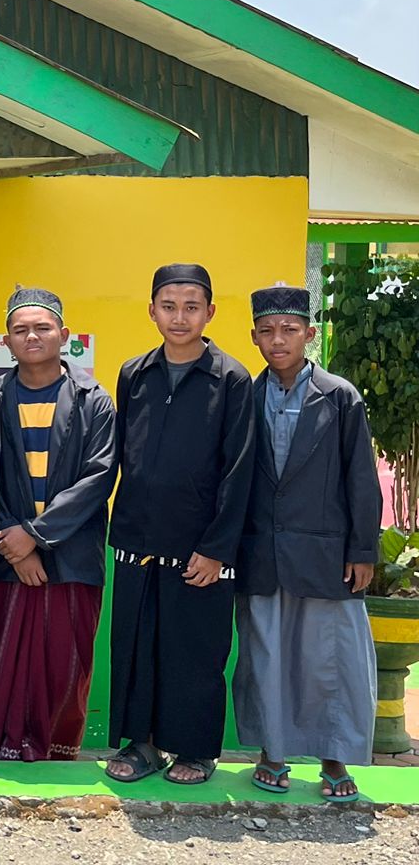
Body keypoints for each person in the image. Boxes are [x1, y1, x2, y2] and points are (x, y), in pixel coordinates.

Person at [106, 263, 256, 785]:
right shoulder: (134, 373)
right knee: (137, 644)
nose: (179, 317)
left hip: (200, 547)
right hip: (138, 540)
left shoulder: (231, 378)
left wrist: (218, 548)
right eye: (168, 306)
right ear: (152, 311)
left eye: (191, 306)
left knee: (195, 651)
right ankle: (142, 745)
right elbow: (123, 452)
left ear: (210, 312)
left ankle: (195, 749)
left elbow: (240, 469)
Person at [234, 284, 379, 802]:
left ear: (309, 335)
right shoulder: (242, 396)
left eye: (290, 330)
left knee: (328, 659)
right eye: (268, 331)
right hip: (261, 552)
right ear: (254, 337)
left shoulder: (340, 396)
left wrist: (363, 550)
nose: (279, 340)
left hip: (326, 554)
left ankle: (333, 758)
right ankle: (272, 752)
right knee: (266, 654)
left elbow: (361, 478)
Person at [0, 287, 117, 762]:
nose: (32, 336)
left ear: (64, 335)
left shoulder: (94, 400)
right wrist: (12, 541)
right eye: (20, 330)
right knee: (1, 656)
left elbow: (99, 477)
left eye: (42, 327)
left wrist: (34, 536)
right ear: (7, 342)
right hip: (4, 553)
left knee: (64, 661)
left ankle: (57, 750)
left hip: (71, 555)